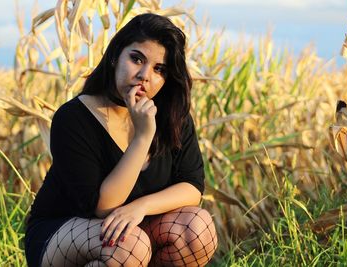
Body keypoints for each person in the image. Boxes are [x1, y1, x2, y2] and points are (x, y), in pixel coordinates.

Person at [24, 13, 218, 267]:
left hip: (133, 231)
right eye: (137, 59)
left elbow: (192, 187)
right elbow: (103, 207)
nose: (145, 76)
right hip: (63, 234)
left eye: (159, 69)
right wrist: (143, 137)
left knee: (197, 228)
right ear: (115, 55)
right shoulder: (73, 118)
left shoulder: (172, 115)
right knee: (128, 246)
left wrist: (140, 207)